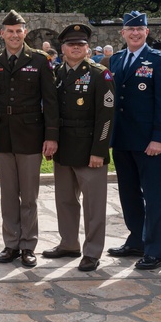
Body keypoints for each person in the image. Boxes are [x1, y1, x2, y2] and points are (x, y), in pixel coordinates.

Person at [0, 10, 58, 269]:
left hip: (30, 135)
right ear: (2, 34)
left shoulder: (39, 60)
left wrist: (50, 136)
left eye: (18, 31)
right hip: (2, 135)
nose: (14, 35)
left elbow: (50, 101)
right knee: (8, 194)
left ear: (25, 32)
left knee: (29, 196)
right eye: (10, 31)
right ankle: (11, 244)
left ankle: (28, 245)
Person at [107, 12, 161, 270]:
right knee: (128, 193)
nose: (135, 33)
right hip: (123, 139)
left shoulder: (158, 61)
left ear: (147, 32)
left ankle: (157, 250)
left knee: (154, 196)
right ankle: (137, 239)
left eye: (140, 29)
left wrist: (160, 138)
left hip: (149, 142)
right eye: (130, 29)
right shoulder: (115, 60)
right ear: (123, 33)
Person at [48, 24, 114, 272]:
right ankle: (68, 243)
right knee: (65, 200)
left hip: (89, 150)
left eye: (81, 44)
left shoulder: (100, 75)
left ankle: (93, 251)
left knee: (93, 205)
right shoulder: (57, 73)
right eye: (71, 44)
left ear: (88, 48)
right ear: (62, 48)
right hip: (63, 147)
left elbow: (106, 117)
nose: (76, 47)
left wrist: (99, 150)